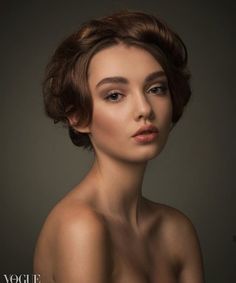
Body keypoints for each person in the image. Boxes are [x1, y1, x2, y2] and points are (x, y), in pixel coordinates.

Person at [33, 10, 205, 283]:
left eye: (156, 88)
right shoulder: (81, 228)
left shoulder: (177, 229)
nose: (144, 109)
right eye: (114, 95)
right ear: (78, 116)